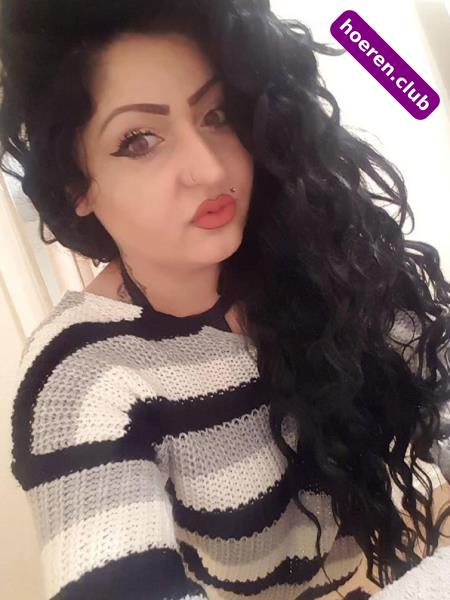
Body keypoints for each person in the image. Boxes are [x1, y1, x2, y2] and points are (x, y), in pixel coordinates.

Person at [1, 1, 449, 599]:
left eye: (216, 115)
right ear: (75, 185)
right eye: (139, 140)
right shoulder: (81, 374)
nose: (210, 169)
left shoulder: (315, 259)